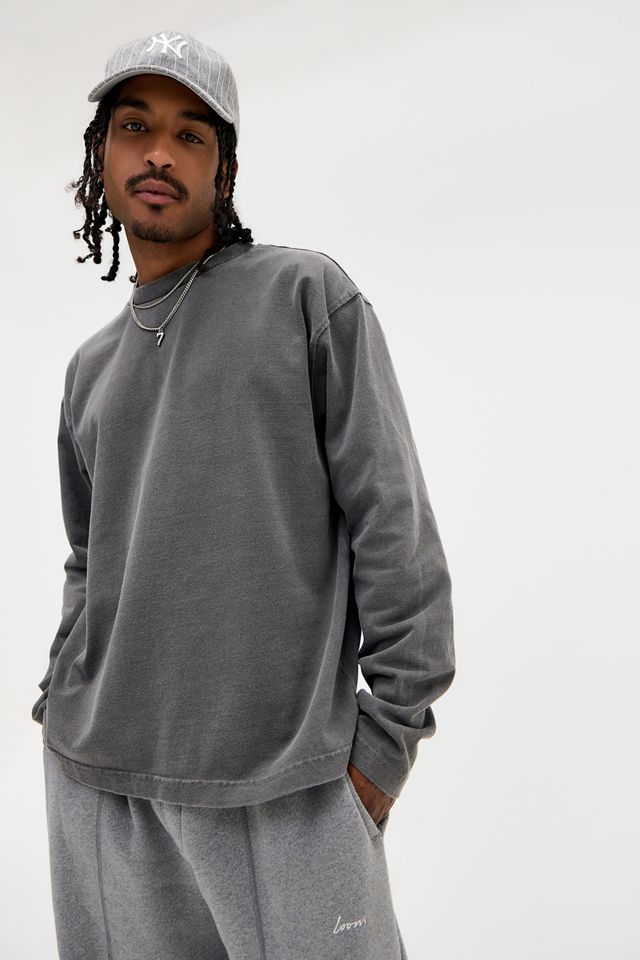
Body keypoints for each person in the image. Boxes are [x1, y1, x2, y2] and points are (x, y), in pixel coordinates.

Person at [33, 28, 456, 960]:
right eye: (135, 126)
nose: (159, 153)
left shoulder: (303, 297)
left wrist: (384, 747)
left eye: (190, 134)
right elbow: (89, 557)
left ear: (223, 168)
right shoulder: (89, 369)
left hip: (287, 789)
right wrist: (59, 688)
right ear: (100, 155)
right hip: (101, 788)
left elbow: (393, 526)